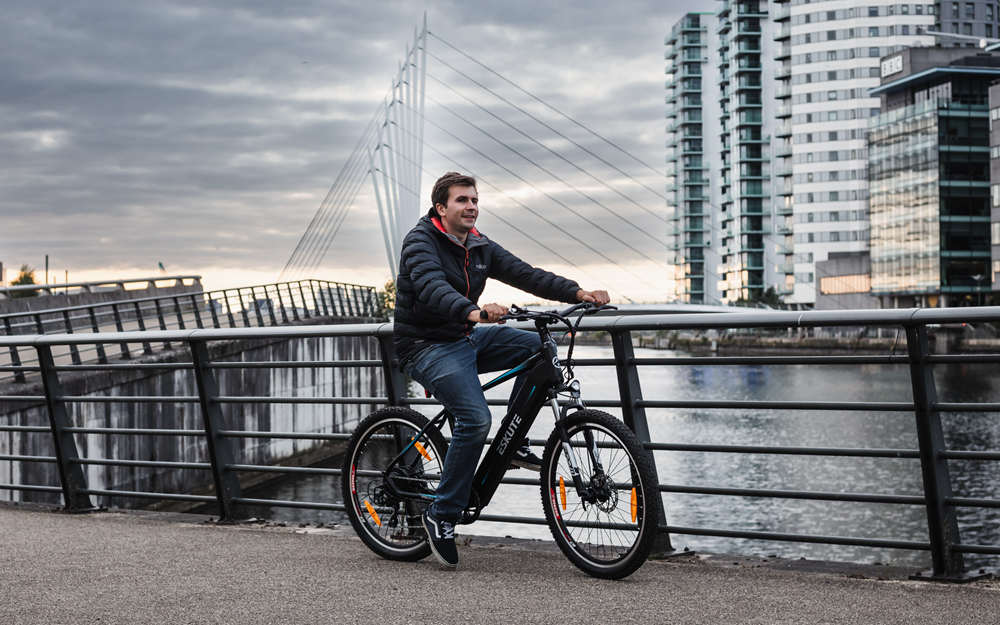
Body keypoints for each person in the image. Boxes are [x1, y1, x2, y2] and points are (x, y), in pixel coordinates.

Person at [393, 171, 610, 568]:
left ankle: (512, 442)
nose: (472, 206)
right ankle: (441, 514)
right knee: (475, 420)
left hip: (465, 335)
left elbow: (525, 273)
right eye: (462, 200)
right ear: (441, 208)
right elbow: (430, 287)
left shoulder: (479, 245)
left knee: (537, 347)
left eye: (475, 200)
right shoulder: (420, 241)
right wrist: (473, 310)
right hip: (425, 345)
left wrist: (578, 292)